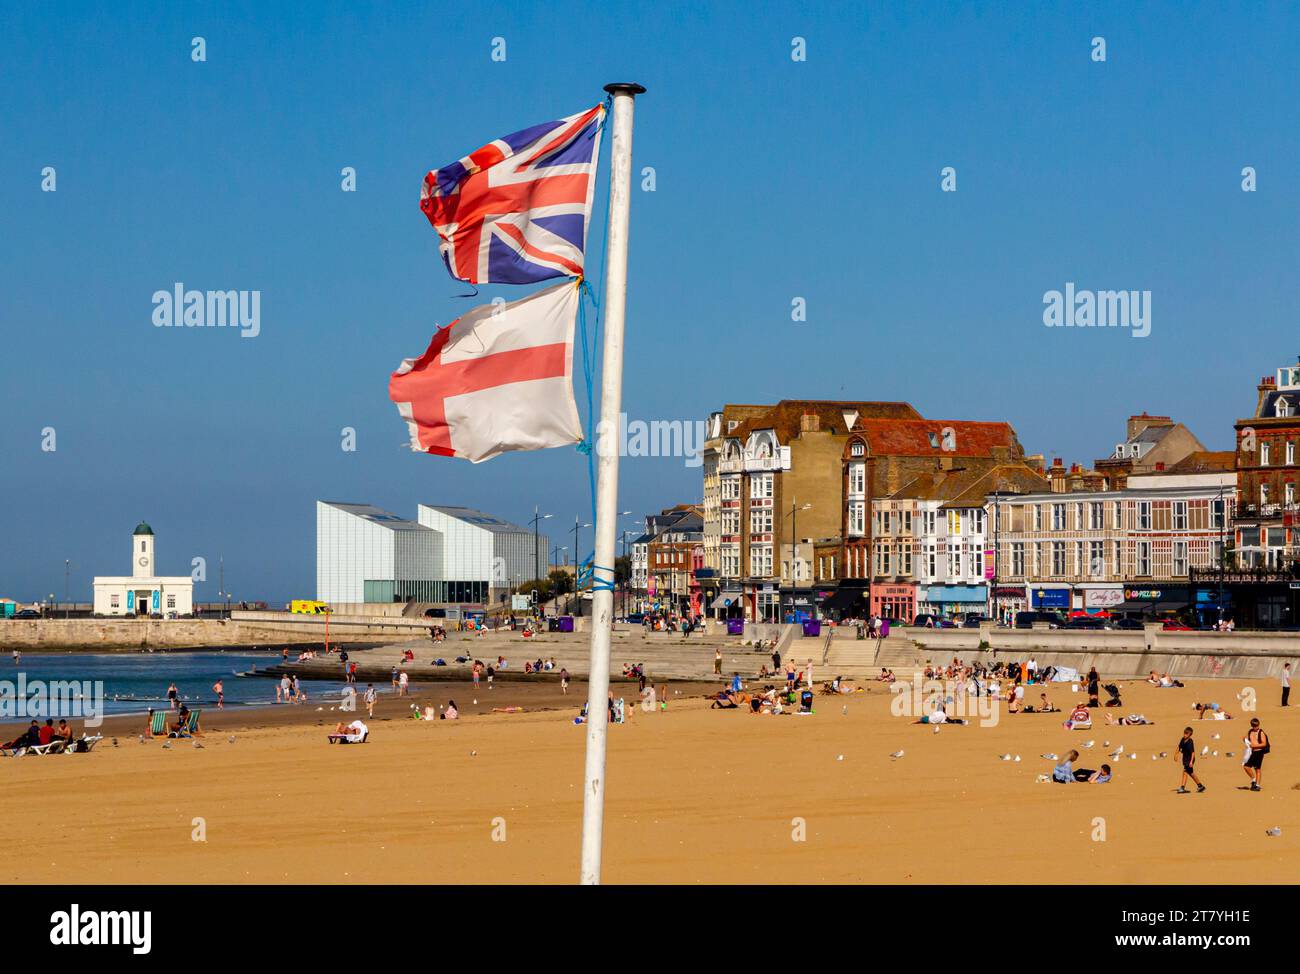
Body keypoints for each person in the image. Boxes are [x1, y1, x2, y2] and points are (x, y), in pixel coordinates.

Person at [1177, 727, 1206, 794]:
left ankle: (1182, 787)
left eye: (1187, 734)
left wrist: (1191, 762)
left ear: (1190, 735)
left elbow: (1193, 753)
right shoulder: (1182, 739)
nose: (1185, 735)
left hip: (1190, 759)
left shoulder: (1190, 742)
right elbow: (1179, 747)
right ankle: (1200, 786)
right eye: (1184, 733)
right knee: (1190, 773)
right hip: (1185, 758)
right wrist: (1176, 754)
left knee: (1186, 772)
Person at [1243, 718, 1269, 791]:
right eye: (1254, 726)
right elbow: (1247, 739)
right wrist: (1245, 740)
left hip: (1259, 752)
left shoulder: (1261, 732)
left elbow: (1264, 743)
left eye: (1256, 726)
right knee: (1246, 766)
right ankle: (1253, 780)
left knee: (1257, 769)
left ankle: (1257, 785)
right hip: (1252, 752)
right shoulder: (1250, 731)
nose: (1255, 727)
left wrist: (1254, 746)